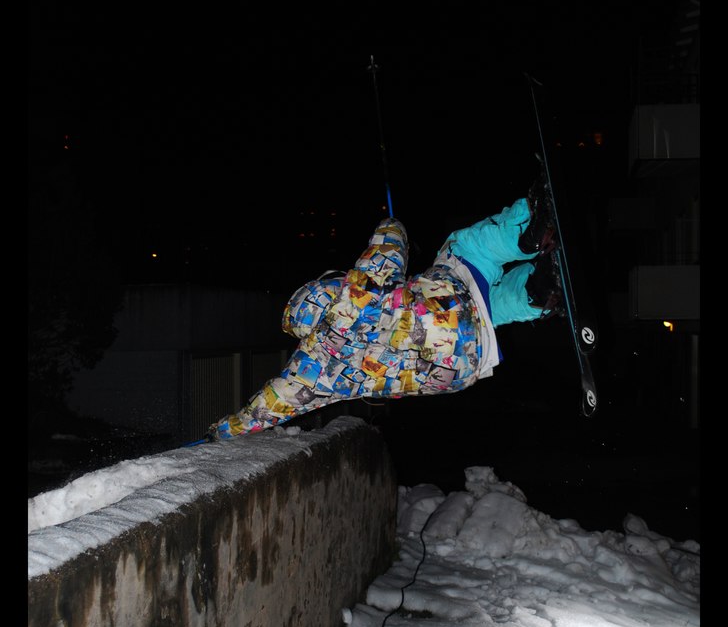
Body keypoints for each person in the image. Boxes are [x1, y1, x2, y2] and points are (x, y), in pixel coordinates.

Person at [207, 181, 563, 441]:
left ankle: (539, 292)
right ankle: (531, 225)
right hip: (442, 310)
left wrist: (225, 429)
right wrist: (391, 224)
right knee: (465, 247)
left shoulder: (309, 372)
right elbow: (391, 241)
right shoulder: (355, 290)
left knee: (485, 312)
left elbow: (268, 406)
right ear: (325, 288)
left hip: (457, 369)